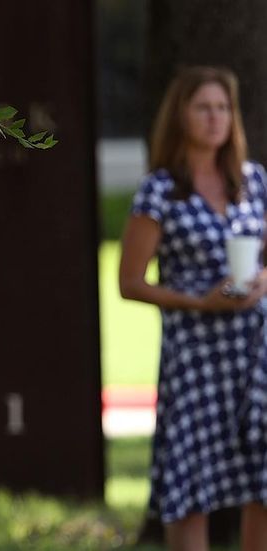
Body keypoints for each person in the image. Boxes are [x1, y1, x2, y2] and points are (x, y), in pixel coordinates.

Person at [120, 65, 267, 550]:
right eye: (203, 107)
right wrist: (199, 301)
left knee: (263, 482)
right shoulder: (160, 190)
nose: (215, 118)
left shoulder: (253, 181)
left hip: (255, 351)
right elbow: (129, 283)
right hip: (195, 355)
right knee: (192, 486)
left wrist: (259, 283)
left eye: (223, 107)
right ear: (180, 115)